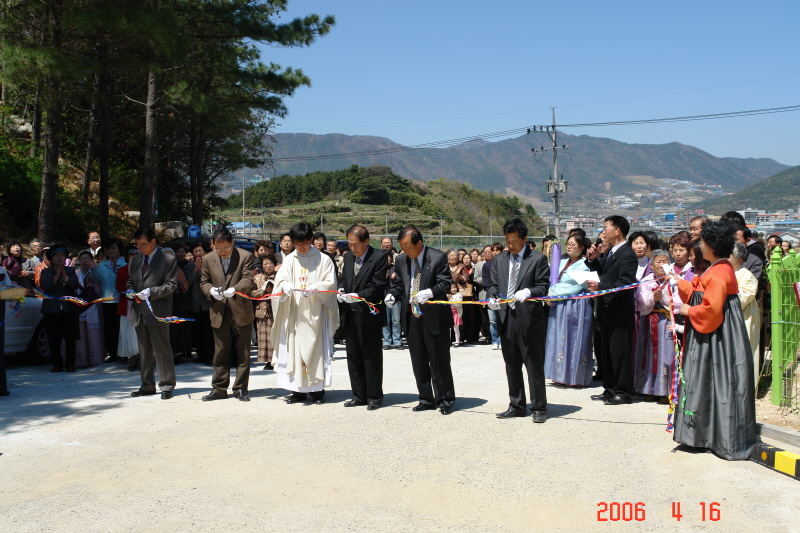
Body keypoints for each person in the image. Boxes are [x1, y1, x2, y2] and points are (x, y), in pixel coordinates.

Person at [672, 221, 756, 460]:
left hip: (715, 335)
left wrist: (688, 311)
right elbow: (699, 290)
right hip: (714, 332)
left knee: (714, 379)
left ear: (710, 245)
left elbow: (711, 309)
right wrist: (679, 283)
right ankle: (706, 434)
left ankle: (709, 436)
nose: (699, 245)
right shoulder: (718, 267)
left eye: (702, 242)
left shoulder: (719, 271)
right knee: (713, 380)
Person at [386, 225, 455, 415]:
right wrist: (392, 294)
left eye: (408, 246)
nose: (405, 250)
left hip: (434, 317)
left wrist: (430, 292)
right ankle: (426, 398)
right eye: (402, 247)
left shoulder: (437, 257)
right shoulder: (401, 260)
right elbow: (399, 284)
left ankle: (446, 399)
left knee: (439, 361)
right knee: (418, 361)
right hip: (412, 316)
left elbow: (445, 283)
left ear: (419, 243)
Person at [487, 219, 550, 422]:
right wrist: (492, 298)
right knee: (511, 364)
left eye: (514, 241)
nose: (510, 245)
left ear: (524, 239)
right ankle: (517, 404)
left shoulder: (537, 259)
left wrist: (529, 291)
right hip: (507, 317)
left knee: (533, 364)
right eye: (507, 241)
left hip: (529, 318)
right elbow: (493, 284)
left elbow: (544, 287)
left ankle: (539, 407)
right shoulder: (499, 260)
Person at [272, 222, 339, 405]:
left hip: (314, 312)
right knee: (294, 350)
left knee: (315, 350)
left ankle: (317, 391)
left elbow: (330, 283)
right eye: (297, 244)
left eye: (304, 243)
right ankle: (297, 391)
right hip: (294, 311)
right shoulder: (289, 259)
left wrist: (316, 288)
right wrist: (283, 286)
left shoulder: (323, 259)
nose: (301, 248)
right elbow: (281, 280)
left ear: (311, 240)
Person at [585, 215, 638, 405]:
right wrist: (592, 259)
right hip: (606, 310)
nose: (604, 231)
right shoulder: (610, 252)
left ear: (618, 231)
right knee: (606, 352)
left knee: (619, 353)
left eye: (606, 227)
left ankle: (623, 391)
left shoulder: (627, 254)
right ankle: (609, 389)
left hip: (619, 312)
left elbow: (626, 283)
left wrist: (601, 287)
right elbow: (603, 272)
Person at [200, 228, 255, 402]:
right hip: (219, 310)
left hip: (240, 309)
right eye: (218, 248)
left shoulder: (245, 256)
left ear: (232, 243)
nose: (222, 252)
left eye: (225, 248)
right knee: (220, 351)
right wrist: (211, 291)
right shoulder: (208, 258)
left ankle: (241, 388)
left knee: (243, 351)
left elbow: (248, 279)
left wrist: (235, 289)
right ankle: (219, 388)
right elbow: (204, 281)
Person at [338, 225, 387, 410]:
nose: (352, 248)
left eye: (355, 244)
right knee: (353, 356)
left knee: (371, 357)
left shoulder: (379, 257)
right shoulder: (348, 256)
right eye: (349, 244)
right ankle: (358, 395)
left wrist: (357, 296)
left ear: (366, 241)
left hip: (369, 315)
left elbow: (377, 286)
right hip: (350, 315)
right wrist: (342, 289)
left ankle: (374, 396)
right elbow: (345, 278)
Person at [126, 227, 178, 400]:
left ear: (153, 242)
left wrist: (151, 292)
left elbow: (171, 285)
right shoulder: (134, 261)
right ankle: (147, 385)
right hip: (139, 311)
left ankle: (167, 384)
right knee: (144, 350)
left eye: (144, 244)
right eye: (138, 245)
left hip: (158, 311)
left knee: (162, 348)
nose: (140, 248)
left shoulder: (168, 260)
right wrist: (130, 291)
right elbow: (130, 281)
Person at [544, 234, 593, 387]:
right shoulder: (563, 261)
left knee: (574, 339)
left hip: (576, 306)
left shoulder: (586, 264)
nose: (570, 246)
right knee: (558, 338)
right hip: (559, 305)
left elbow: (573, 286)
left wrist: (550, 293)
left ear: (582, 247)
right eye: (568, 243)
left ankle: (574, 376)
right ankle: (558, 373)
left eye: (573, 243)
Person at [632, 250, 674, 401]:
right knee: (648, 354)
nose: (662, 265)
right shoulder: (647, 280)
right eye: (658, 261)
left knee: (665, 354)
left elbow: (678, 300)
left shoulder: (673, 279)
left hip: (666, 320)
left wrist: (662, 297)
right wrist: (652, 297)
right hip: (650, 319)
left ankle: (664, 391)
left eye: (665, 261)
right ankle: (647, 388)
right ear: (651, 264)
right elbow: (640, 300)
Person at [40, 244, 80, 373]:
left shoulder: (70, 270)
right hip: (51, 310)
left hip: (68, 309)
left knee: (70, 338)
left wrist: (65, 277)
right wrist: (55, 278)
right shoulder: (46, 271)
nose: (59, 258)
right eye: (56, 256)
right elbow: (46, 288)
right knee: (53, 339)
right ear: (51, 258)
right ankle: (56, 364)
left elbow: (74, 285)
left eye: (62, 255)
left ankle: (70, 364)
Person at [729, 242, 760, 379]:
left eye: (729, 256)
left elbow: (741, 299)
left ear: (739, 260)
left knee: (742, 357)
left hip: (741, 321)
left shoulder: (746, 276)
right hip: (725, 322)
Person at [73, 250, 105, 367]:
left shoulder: (95, 272)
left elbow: (99, 287)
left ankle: (95, 359)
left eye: (88, 259)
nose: (85, 261)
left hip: (93, 305)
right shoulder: (75, 273)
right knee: (81, 333)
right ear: (78, 261)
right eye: (82, 259)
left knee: (93, 333)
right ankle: (81, 360)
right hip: (80, 304)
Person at [97, 238, 125, 362]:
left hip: (121, 300)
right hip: (106, 300)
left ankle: (123, 353)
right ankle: (113, 353)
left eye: (114, 248)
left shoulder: (125, 263)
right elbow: (95, 278)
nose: (111, 251)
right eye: (108, 249)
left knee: (121, 328)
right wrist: (96, 267)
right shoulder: (102, 264)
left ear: (119, 250)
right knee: (109, 328)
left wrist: (115, 269)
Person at [163, 248, 192, 365]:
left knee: (176, 331)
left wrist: (178, 286)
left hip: (176, 304)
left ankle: (177, 354)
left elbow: (185, 285)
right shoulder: (156, 270)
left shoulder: (178, 271)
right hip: (162, 305)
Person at [115, 244, 140, 371]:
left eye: (136, 256)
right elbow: (118, 286)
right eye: (131, 256)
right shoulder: (122, 270)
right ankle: (132, 359)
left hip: (141, 304)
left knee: (141, 333)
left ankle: (145, 358)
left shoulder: (144, 269)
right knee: (128, 333)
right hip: (127, 305)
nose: (133, 258)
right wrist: (129, 290)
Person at [251, 254, 277, 370]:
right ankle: (268, 360)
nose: (267, 266)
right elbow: (252, 293)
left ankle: (277, 359)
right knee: (264, 336)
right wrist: (262, 291)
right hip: (262, 309)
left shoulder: (279, 277)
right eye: (265, 263)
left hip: (276, 309)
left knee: (275, 335)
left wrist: (272, 291)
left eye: (270, 263)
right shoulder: (257, 278)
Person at [484, 243, 503, 350]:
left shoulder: (505, 263)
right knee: (492, 320)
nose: (495, 252)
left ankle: (501, 340)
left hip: (503, 296)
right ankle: (495, 340)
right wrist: (491, 293)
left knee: (502, 319)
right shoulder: (487, 265)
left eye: (497, 250)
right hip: (491, 295)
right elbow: (485, 281)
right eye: (493, 250)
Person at [382, 249, 402, 350]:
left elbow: (402, 281)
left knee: (396, 320)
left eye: (388, 257)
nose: (387, 259)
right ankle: (387, 341)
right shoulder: (379, 268)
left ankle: (397, 341)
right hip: (384, 298)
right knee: (386, 321)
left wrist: (396, 276)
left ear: (391, 258)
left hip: (395, 298)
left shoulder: (396, 268)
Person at [459, 253, 480, 344]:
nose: (467, 260)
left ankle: (471, 337)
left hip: (471, 296)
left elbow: (475, 282)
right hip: (461, 296)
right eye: (465, 258)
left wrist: (471, 275)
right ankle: (462, 337)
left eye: (468, 258)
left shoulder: (474, 268)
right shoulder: (459, 268)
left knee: (471, 317)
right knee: (462, 317)